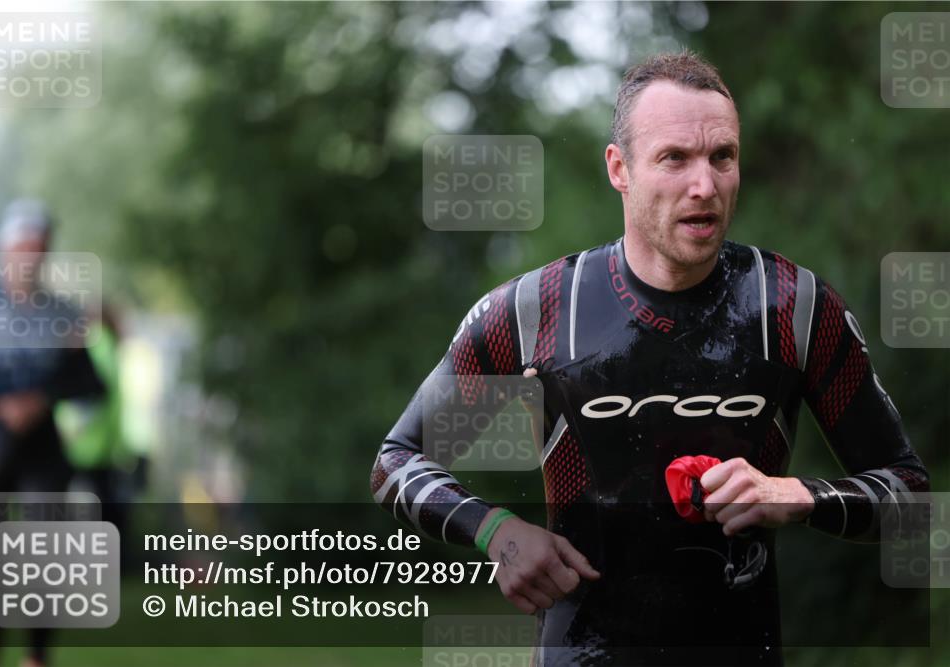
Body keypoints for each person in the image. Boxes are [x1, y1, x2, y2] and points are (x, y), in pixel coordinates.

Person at [371, 51, 930, 666]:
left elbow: (909, 497)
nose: (705, 185)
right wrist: (495, 530)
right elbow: (397, 462)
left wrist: (795, 495)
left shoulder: (793, 308)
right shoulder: (537, 311)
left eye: (723, 157)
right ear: (620, 168)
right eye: (675, 158)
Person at [0, 199, 105, 667]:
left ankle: (36, 658)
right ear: (5, 250)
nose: (30, 259)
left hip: (41, 447)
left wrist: (37, 401)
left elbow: (89, 384)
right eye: (23, 249)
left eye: (39, 251)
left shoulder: (60, 313)